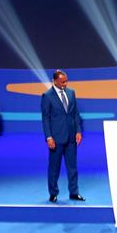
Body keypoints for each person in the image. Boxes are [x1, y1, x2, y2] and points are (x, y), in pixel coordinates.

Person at [41, 69, 84, 203]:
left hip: (71, 137)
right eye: (62, 82)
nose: (65, 84)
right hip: (56, 138)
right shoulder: (47, 96)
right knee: (54, 168)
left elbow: (75, 114)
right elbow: (45, 118)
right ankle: (53, 193)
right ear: (54, 81)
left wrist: (78, 131)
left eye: (66, 81)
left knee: (72, 167)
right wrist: (49, 137)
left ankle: (74, 192)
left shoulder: (71, 93)